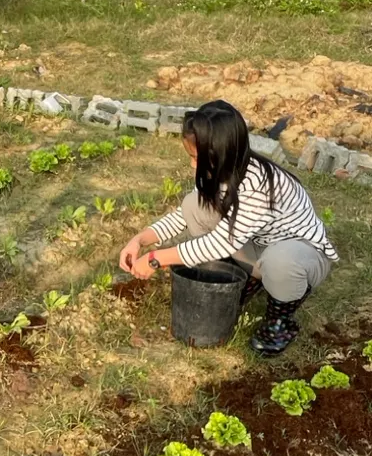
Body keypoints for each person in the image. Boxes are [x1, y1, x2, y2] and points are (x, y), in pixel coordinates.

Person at [119, 100, 338, 355]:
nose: (193, 165)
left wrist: (156, 259)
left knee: (280, 262)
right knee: (194, 205)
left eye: (196, 158)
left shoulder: (258, 186)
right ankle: (239, 277)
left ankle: (280, 321)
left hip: (301, 254)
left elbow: (220, 243)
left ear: (221, 152)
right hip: (257, 245)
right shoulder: (218, 170)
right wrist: (140, 239)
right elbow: (183, 216)